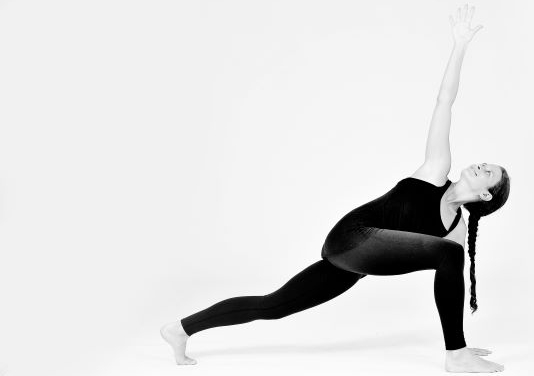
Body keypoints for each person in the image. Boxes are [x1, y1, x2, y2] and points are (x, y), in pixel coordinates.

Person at [161, 4, 510, 373]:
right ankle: (454, 356)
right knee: (447, 255)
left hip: (356, 262)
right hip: (351, 238)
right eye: (482, 163)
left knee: (273, 305)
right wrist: (459, 46)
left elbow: (450, 283)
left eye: (486, 171)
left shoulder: (454, 233)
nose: (478, 164)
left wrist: (462, 327)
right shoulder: (436, 171)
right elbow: (444, 101)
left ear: (486, 195)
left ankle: (180, 329)